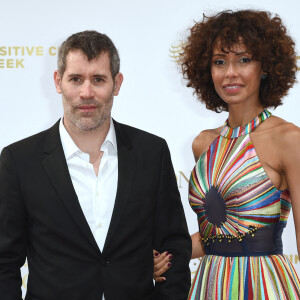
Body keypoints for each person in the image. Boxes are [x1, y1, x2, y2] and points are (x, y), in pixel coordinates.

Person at [0, 30, 192, 300]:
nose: (86, 93)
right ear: (58, 81)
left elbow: (175, 246)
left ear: (117, 83)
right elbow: (4, 262)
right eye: (76, 79)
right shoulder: (20, 160)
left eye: (98, 79)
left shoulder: (151, 152)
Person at [154, 9, 300, 299]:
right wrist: (162, 259)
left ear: (266, 66)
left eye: (244, 60)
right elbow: (216, 236)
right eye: (220, 62)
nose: (230, 72)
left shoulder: (289, 139)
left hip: (266, 286)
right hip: (210, 283)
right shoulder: (203, 144)